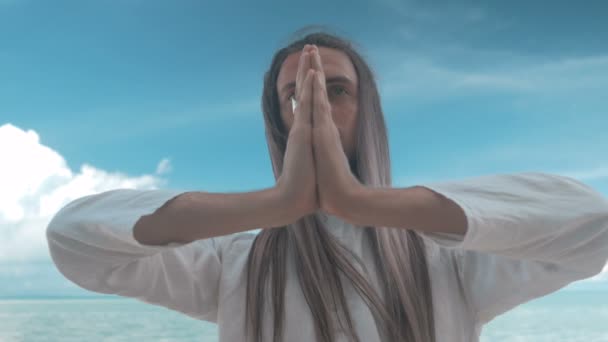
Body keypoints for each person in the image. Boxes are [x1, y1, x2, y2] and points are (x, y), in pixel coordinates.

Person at [46, 29, 608, 342]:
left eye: (336, 89)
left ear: (370, 113)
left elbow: (590, 225)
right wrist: (277, 204)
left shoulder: (446, 261)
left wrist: (360, 203)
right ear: (276, 121)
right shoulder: (235, 264)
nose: (311, 104)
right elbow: (75, 241)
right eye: (291, 96)